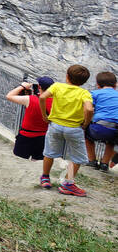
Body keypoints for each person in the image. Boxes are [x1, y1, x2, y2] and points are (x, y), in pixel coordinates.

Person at [40, 65, 94, 196]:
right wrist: (86, 123)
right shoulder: (84, 93)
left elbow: (42, 97)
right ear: (84, 81)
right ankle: (68, 184)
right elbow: (89, 109)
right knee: (76, 158)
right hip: (74, 128)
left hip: (55, 125)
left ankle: (45, 178)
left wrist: (44, 115)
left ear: (67, 76)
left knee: (49, 153)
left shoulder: (57, 86)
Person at [6, 76, 54, 184]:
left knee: (19, 160)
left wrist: (22, 86)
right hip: (43, 137)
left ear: (40, 87)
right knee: (37, 161)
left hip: (26, 136)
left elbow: (9, 96)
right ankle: (34, 181)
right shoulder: (56, 103)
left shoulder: (31, 99)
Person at [85, 71, 118, 171]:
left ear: (98, 85)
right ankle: (104, 163)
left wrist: (86, 122)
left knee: (87, 136)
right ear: (115, 85)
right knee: (111, 141)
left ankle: (92, 161)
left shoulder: (94, 93)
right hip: (116, 129)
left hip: (98, 128)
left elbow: (88, 109)